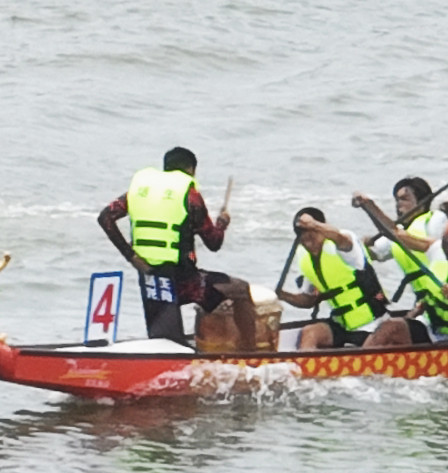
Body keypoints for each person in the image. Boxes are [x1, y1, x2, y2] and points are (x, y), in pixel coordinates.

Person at [100, 147, 255, 345]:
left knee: (165, 338)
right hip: (184, 280)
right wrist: (222, 223)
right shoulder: (189, 195)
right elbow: (214, 242)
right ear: (191, 170)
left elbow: (105, 218)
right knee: (241, 289)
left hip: (150, 277)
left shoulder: (140, 191)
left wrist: (130, 256)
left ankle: (194, 347)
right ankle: (252, 353)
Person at [278, 208, 398, 349]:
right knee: (309, 333)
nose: (308, 239)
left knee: (366, 350)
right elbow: (309, 299)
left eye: (313, 232)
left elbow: (341, 239)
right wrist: (282, 295)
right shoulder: (304, 258)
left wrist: (313, 224)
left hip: (373, 324)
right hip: (341, 325)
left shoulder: (342, 245)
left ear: (322, 228)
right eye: (302, 234)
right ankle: (306, 369)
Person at [360, 178, 448, 332]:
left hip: (441, 294)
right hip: (423, 301)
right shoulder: (400, 230)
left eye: (404, 199)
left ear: (421, 200)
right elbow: (378, 254)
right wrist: (366, 246)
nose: (398, 204)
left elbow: (439, 248)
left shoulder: (434, 219)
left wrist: (371, 207)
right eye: (397, 199)